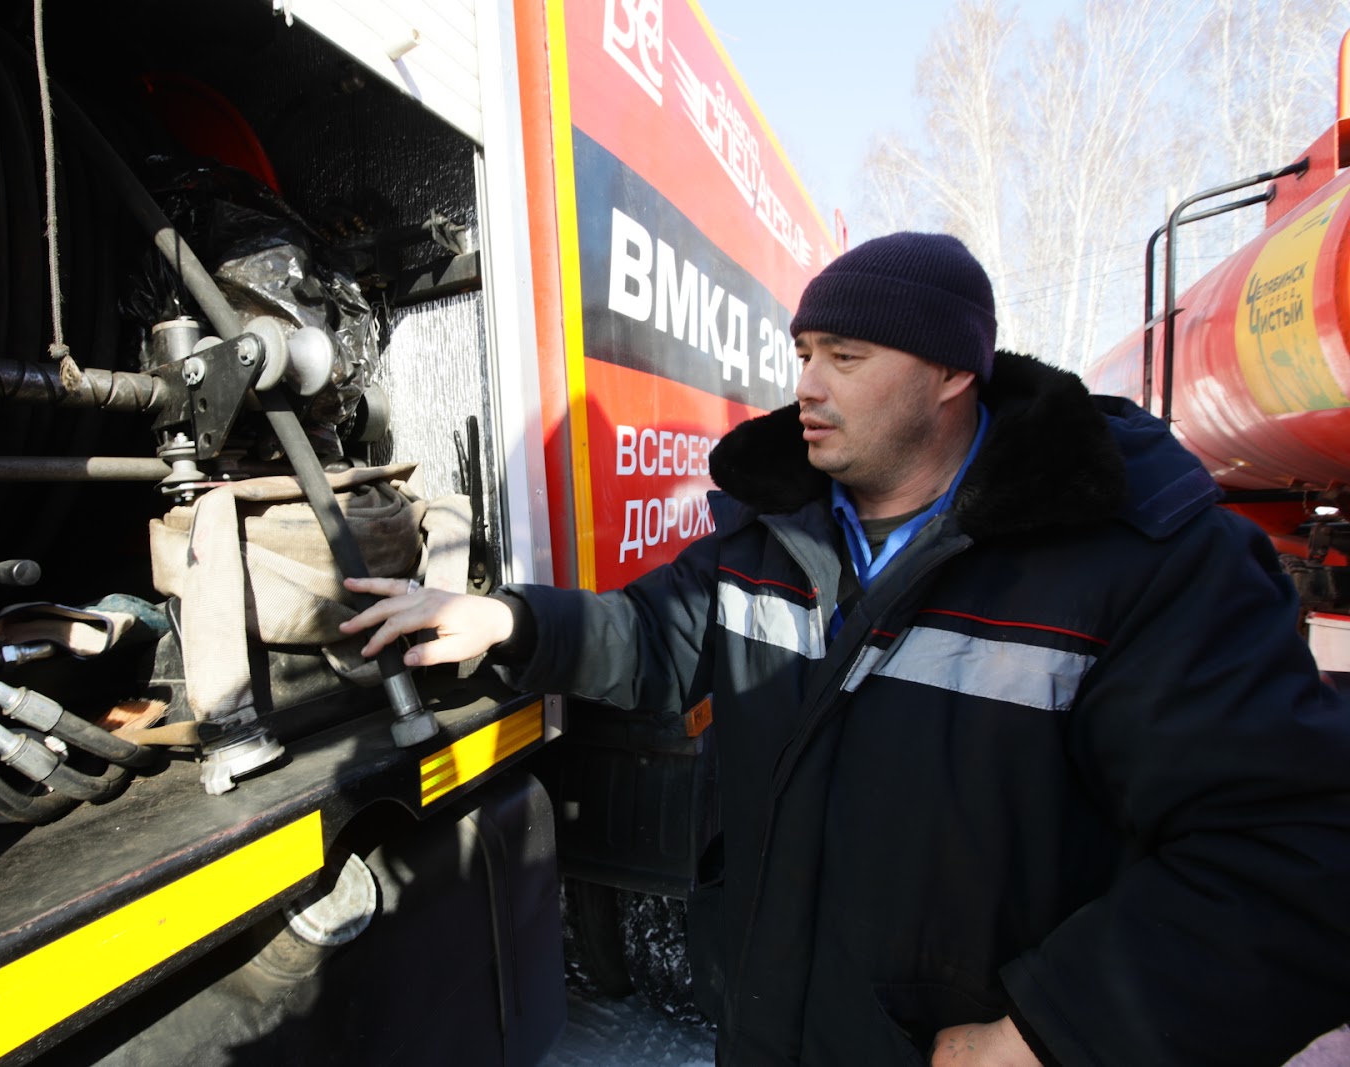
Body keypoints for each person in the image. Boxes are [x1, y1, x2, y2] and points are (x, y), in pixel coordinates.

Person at [341, 232, 1350, 1066]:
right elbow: (651, 637)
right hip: (768, 1025)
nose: (807, 387)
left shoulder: (1136, 559)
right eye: (804, 351)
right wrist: (506, 622)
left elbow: (1292, 848)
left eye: (845, 357)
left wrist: (1058, 1027)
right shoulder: (773, 531)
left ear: (953, 371)